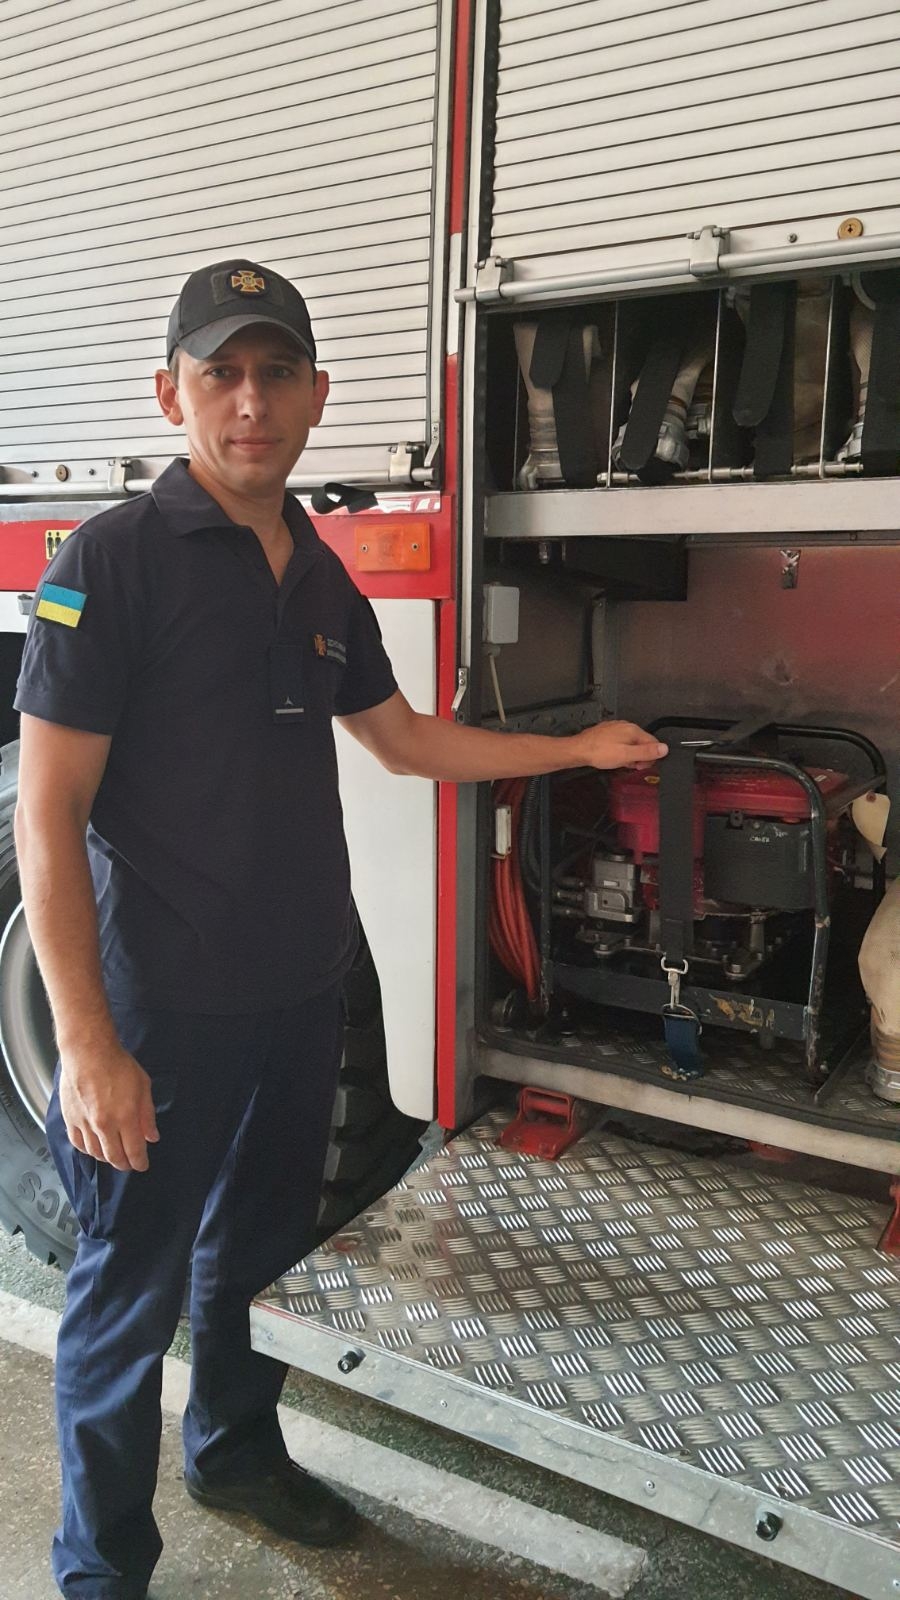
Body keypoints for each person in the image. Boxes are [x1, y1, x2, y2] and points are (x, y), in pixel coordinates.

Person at [14, 257, 668, 1600]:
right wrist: (85, 1041)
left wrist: (573, 749)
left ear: (317, 396)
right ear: (173, 394)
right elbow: (48, 810)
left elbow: (405, 741)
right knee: (128, 1293)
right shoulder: (112, 563)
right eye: (221, 375)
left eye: (275, 375)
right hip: (161, 1010)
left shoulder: (317, 575)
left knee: (258, 1254)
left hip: (301, 995)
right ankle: (100, 1568)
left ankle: (235, 1455)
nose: (250, 403)